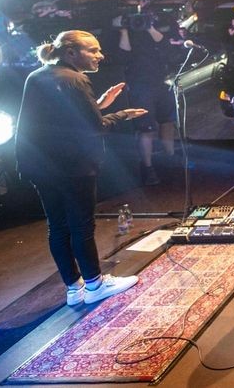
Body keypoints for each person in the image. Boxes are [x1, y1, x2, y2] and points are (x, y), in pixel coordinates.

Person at [15, 30, 147, 306]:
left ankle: (74, 289)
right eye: (93, 50)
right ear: (72, 52)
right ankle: (95, 284)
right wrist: (123, 113)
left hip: (40, 166)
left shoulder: (38, 75)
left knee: (58, 227)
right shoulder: (75, 79)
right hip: (72, 167)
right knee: (81, 225)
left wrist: (98, 104)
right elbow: (94, 128)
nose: (100, 55)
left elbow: (63, 120)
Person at [119, 19, 177, 185]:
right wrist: (124, 30)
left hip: (161, 82)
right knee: (147, 128)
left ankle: (170, 159)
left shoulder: (152, 31)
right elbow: (124, 55)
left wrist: (148, 26)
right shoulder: (126, 34)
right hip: (140, 87)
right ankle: (148, 168)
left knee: (168, 122)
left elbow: (165, 44)